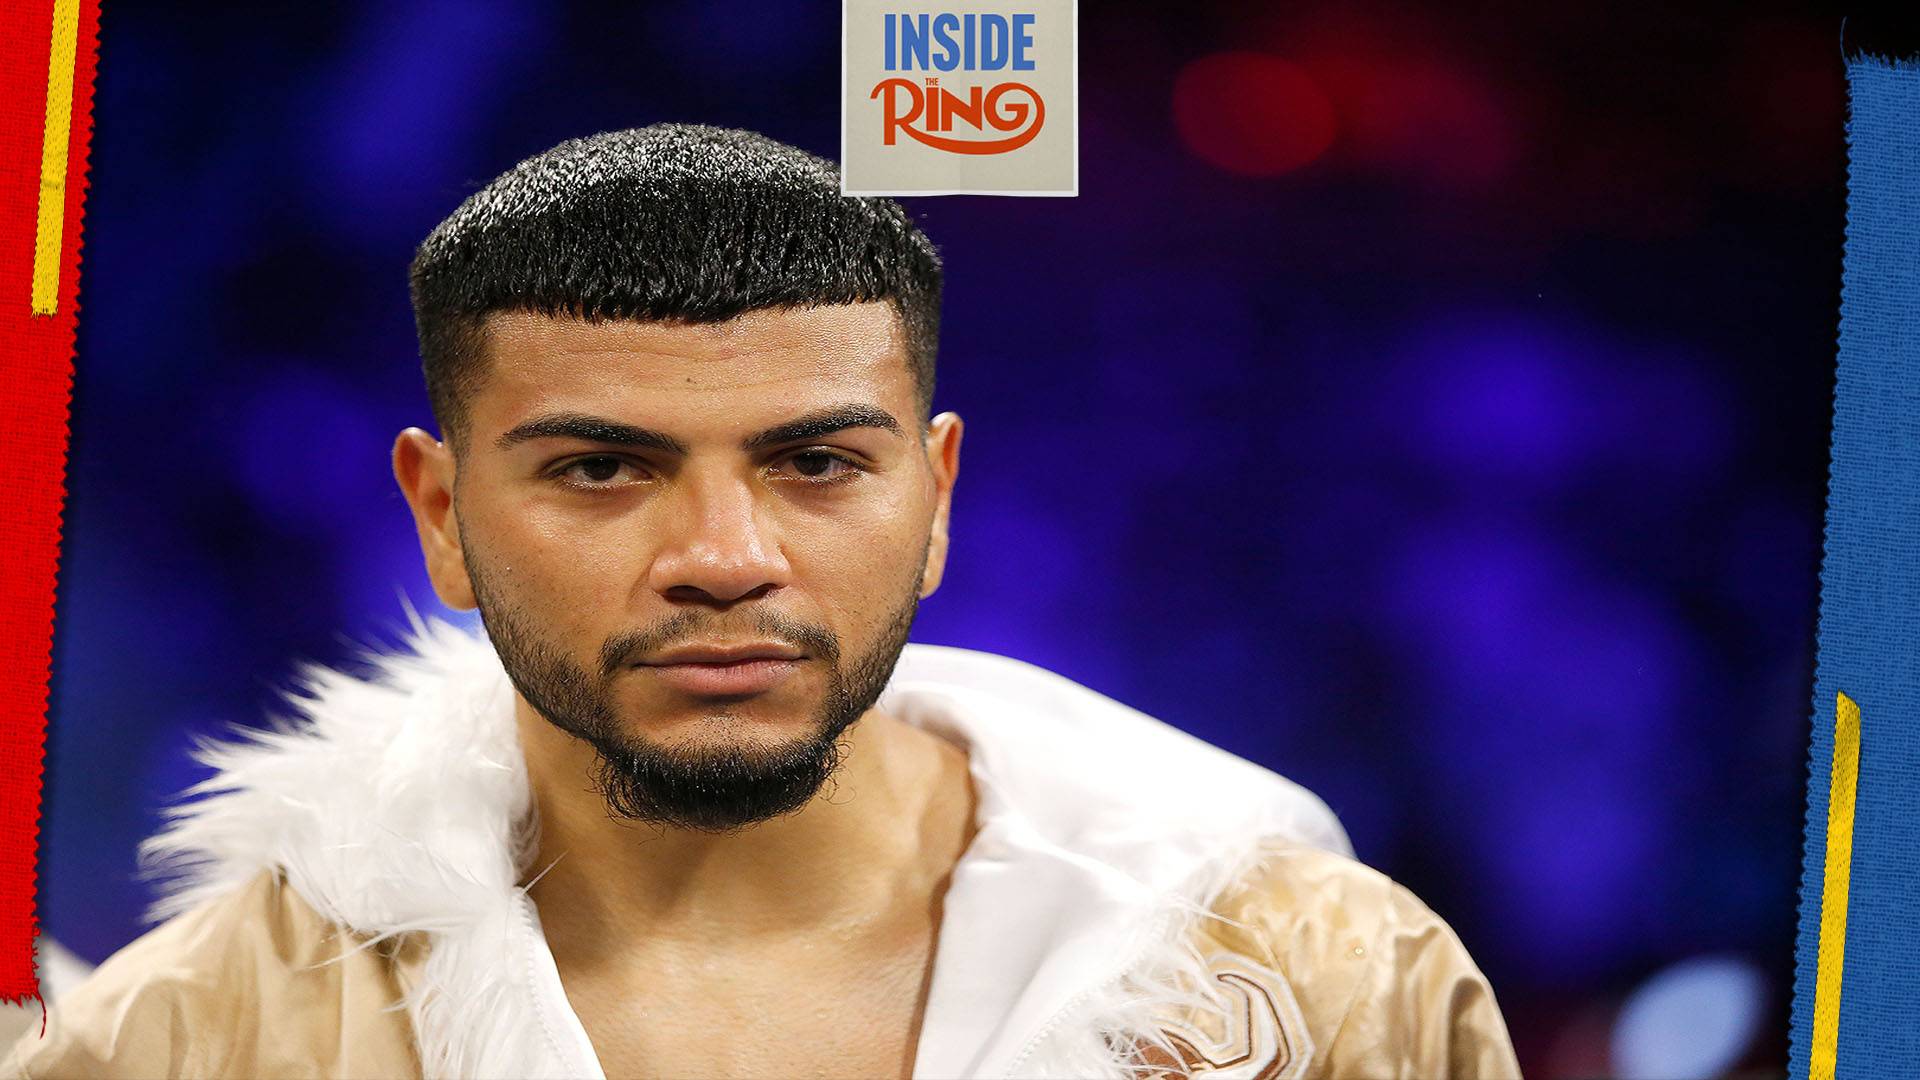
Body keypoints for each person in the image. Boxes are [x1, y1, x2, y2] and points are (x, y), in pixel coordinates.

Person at [3, 124, 1521, 1079]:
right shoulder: (206, 1038)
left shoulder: (1325, 984)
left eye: (814, 464)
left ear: (936, 496)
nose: (724, 556)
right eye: (603, 468)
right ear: (443, 518)